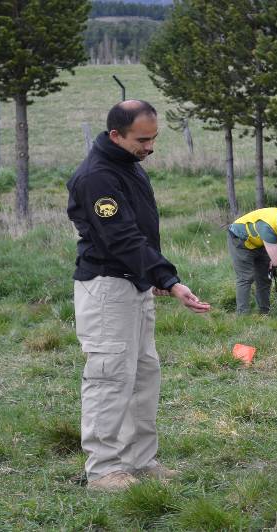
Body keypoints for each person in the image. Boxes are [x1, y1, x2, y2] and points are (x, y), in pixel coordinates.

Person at [66, 100, 211, 492]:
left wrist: (154, 277)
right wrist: (169, 277)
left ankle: (140, 461)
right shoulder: (97, 177)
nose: (149, 147)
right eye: (141, 139)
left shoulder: (126, 167)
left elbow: (139, 231)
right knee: (110, 378)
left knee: (143, 374)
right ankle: (104, 469)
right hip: (107, 290)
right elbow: (121, 239)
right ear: (116, 135)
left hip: (135, 285)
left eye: (153, 138)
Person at [227, 207, 277, 315]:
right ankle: (243, 315)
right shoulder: (267, 228)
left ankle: (264, 313)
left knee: (265, 277)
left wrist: (276, 256)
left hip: (261, 241)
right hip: (240, 239)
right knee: (246, 277)